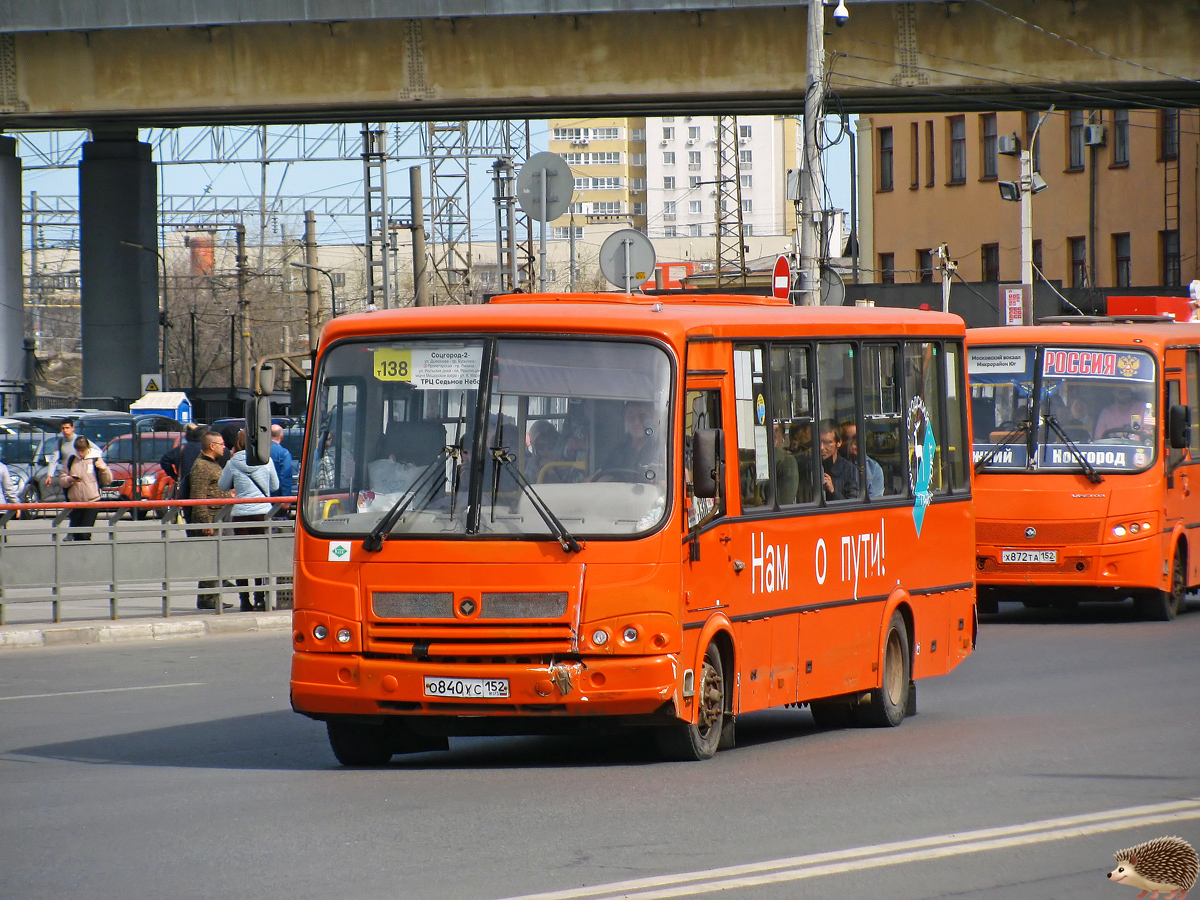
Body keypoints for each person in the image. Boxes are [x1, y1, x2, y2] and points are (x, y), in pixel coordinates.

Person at [218, 430, 279, 611]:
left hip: (241, 513)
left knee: (242, 556)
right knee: (261, 555)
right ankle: (260, 597)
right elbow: (275, 486)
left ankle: (244, 599)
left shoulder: (233, 462)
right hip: (263, 513)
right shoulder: (266, 461)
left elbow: (222, 485)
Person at [189, 431, 232, 609]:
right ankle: (207, 598)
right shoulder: (201, 466)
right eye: (221, 444)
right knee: (210, 559)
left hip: (218, 517)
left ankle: (212, 595)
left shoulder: (213, 464)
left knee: (215, 558)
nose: (225, 447)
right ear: (212, 446)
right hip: (210, 519)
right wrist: (205, 522)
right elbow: (197, 496)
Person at [58, 436, 112, 540]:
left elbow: (108, 480)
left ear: (88, 448)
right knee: (76, 534)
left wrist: (104, 469)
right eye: (79, 451)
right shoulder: (71, 459)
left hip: (92, 501)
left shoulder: (95, 459)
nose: (81, 453)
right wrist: (69, 479)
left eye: (83, 450)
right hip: (76, 502)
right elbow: (62, 479)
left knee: (85, 533)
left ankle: (86, 554)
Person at [601, 400, 664, 473]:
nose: (636, 423)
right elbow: (602, 473)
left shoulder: (663, 449)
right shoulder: (618, 451)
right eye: (631, 417)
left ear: (653, 418)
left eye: (642, 417)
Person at [840, 420, 885, 499]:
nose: (856, 442)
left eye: (859, 438)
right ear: (840, 442)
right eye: (851, 438)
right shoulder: (833, 465)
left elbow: (874, 503)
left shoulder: (873, 468)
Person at [818, 419, 858, 501]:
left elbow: (852, 504)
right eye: (819, 442)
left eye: (828, 442)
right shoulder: (809, 466)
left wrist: (833, 490)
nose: (822, 447)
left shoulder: (849, 469)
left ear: (839, 443)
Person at [44, 418, 78, 489]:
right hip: (67, 476)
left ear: (73, 428)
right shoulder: (59, 443)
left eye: (67, 428)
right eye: (63, 428)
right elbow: (54, 460)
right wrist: (49, 475)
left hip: (80, 475)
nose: (65, 430)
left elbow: (97, 451)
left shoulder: (80, 440)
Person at [773, 422, 799, 505]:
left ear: (784, 436)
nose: (773, 435)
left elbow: (784, 503)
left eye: (776, 430)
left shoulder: (786, 461)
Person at [269, 423, 296, 498]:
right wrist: (286, 497)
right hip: (277, 497)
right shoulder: (283, 453)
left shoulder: (259, 451)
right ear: (281, 436)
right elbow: (285, 477)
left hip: (259, 497)